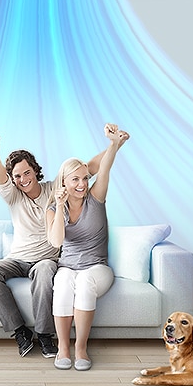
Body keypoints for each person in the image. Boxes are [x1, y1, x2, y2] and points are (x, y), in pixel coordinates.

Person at [0, 132, 111, 358]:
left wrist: (114, 146)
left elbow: (88, 168)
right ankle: (20, 332)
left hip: (46, 260)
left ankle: (45, 335)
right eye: (17, 176)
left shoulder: (54, 189)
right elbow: (0, 178)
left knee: (45, 270)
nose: (23, 179)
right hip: (17, 259)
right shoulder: (13, 196)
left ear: (35, 171)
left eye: (27, 172)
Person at [46, 123, 129, 371]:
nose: (82, 184)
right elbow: (57, 242)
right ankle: (63, 346)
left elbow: (104, 169)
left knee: (84, 283)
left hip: (97, 268)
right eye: (75, 180)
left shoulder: (96, 198)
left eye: (84, 178)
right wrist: (60, 207)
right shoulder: (53, 210)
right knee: (62, 283)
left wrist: (114, 144)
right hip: (68, 267)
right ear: (64, 182)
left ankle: (81, 347)